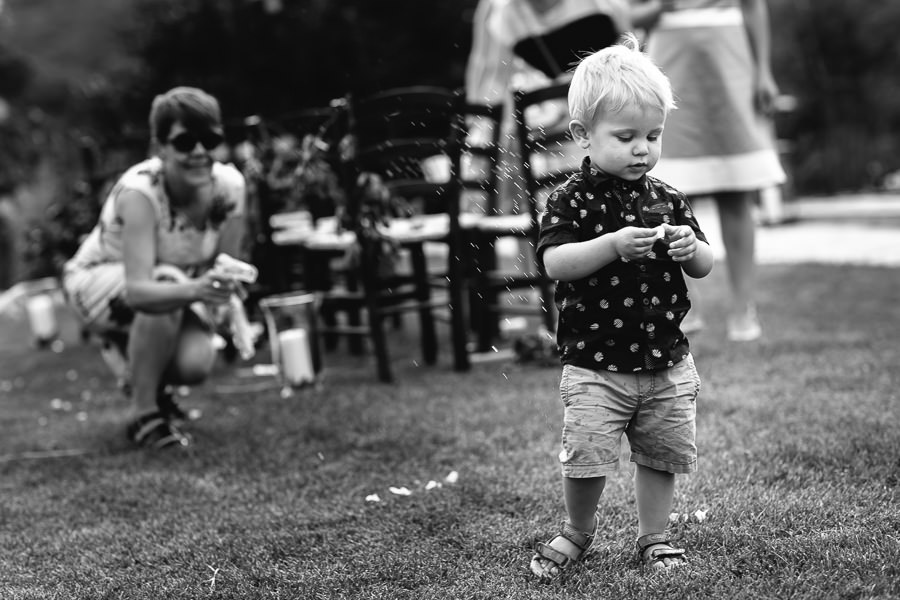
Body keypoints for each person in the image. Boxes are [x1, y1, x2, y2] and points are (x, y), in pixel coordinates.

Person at [529, 34, 714, 578]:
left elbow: (703, 264)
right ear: (584, 135)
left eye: (653, 136)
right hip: (594, 362)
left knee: (660, 454)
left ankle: (654, 537)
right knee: (586, 455)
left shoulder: (668, 197)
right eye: (627, 136)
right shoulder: (570, 198)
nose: (642, 149)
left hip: (665, 359)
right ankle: (577, 532)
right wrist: (611, 245)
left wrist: (690, 248)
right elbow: (555, 262)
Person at [62, 86, 248, 450]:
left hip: (170, 292)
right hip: (98, 283)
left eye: (210, 140)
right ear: (160, 147)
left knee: (195, 362)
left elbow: (224, 265)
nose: (199, 152)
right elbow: (139, 289)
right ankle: (144, 413)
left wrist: (227, 294)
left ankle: (135, 360)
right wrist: (196, 290)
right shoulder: (141, 193)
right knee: (164, 281)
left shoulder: (231, 187)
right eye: (184, 142)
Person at [630, 0, 785, 341]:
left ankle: (743, 308)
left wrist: (763, 72)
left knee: (737, 191)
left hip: (731, 63)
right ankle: (685, 304)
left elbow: (753, 6)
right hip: (670, 66)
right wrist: (660, 6)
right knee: (669, 197)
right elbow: (626, 15)